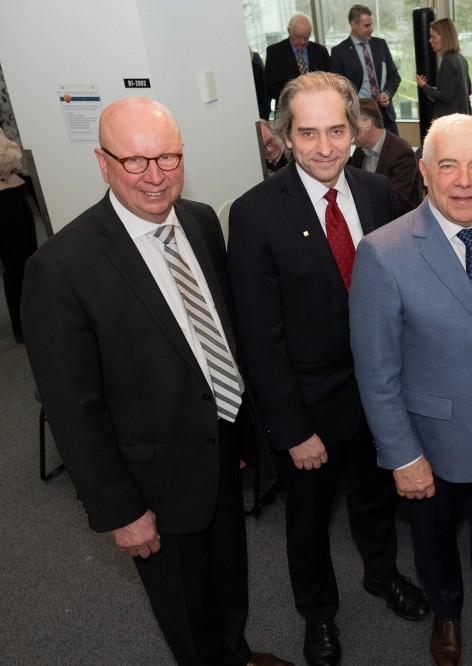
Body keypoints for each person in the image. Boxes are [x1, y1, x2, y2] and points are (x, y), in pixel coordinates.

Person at [20, 98, 291, 666]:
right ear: (102, 162)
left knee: (229, 581)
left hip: (218, 451)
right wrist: (120, 510)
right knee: (187, 613)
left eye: (167, 157)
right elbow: (73, 410)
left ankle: (236, 655)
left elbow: (216, 331)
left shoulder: (197, 220)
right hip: (152, 485)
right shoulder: (61, 267)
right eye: (135, 161)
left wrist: (237, 434)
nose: (155, 176)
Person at [227, 73, 429, 666]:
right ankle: (318, 615)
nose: (324, 146)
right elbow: (260, 339)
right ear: (285, 137)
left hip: (379, 400)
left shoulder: (374, 192)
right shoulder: (255, 213)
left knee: (374, 500)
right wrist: (291, 430)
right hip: (310, 411)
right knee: (310, 524)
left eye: (336, 130)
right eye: (307, 132)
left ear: (355, 130)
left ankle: (382, 575)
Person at [350, 113, 472, 666]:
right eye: (448, 166)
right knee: (435, 543)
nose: (464, 180)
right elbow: (377, 371)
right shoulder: (384, 252)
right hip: (430, 442)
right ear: (423, 171)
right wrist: (401, 455)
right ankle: (446, 613)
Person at [330, 4, 402, 135]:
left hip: (385, 114)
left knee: (395, 152)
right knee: (368, 154)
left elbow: (394, 76)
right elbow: (337, 88)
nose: (371, 29)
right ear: (353, 25)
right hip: (360, 115)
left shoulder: (380, 45)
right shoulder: (340, 52)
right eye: (366, 26)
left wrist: (387, 92)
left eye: (371, 24)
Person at [350, 98, 421, 215]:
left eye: (351, 126)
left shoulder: (401, 153)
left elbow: (395, 204)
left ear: (367, 123)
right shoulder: (359, 152)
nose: (349, 132)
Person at [0, 129, 36, 343]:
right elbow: (4, 159)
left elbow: (14, 148)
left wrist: (10, 157)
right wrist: (10, 158)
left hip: (13, 191)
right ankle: (22, 326)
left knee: (29, 256)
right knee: (15, 263)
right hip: (3, 201)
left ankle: (33, 317)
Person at [265, 13, 331, 107]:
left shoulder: (320, 51)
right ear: (289, 31)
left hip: (318, 106)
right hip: (288, 109)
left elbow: (329, 80)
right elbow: (271, 86)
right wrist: (297, 98)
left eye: (306, 37)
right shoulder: (275, 52)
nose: (302, 42)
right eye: (298, 37)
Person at [416, 19, 472, 120]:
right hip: (462, 120)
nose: (430, 40)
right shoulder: (461, 58)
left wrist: (425, 87)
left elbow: (445, 97)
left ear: (445, 38)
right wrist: (435, 92)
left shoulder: (448, 61)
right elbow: (468, 90)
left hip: (449, 123)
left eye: (433, 37)